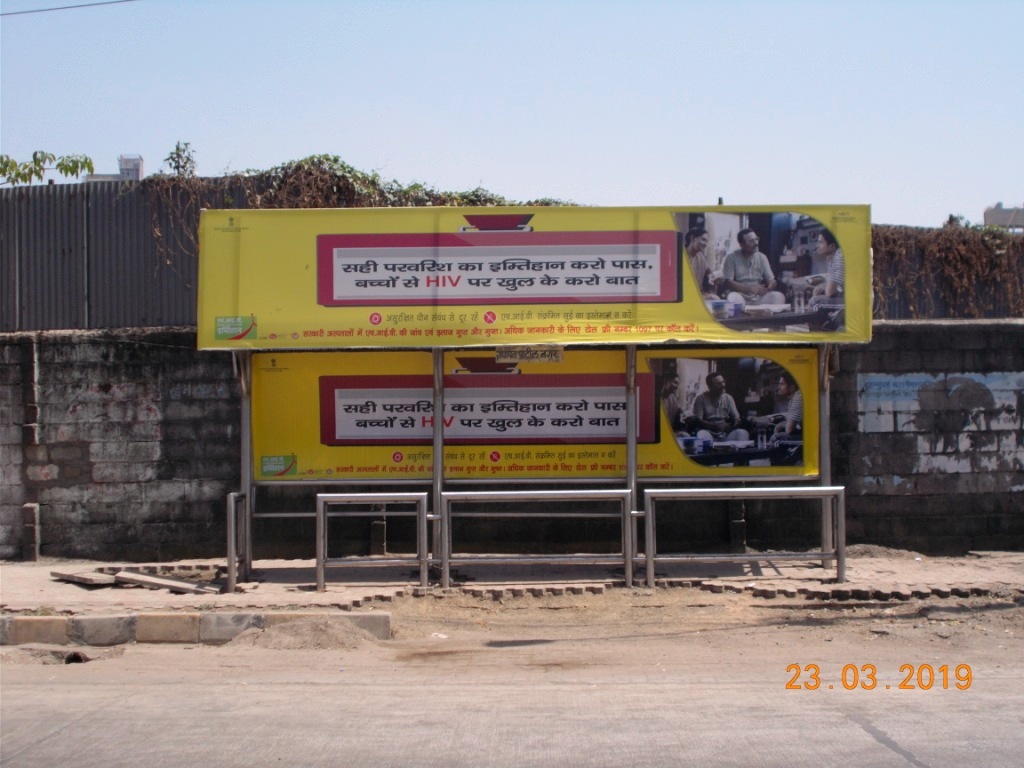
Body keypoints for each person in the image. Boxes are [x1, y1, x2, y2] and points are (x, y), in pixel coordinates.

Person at [722, 228, 785, 306]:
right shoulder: (731, 257)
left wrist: (769, 286)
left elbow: (771, 279)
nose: (756, 243)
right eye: (751, 241)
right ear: (742, 245)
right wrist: (750, 289)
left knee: (778, 296)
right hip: (740, 296)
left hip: (758, 297)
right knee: (732, 297)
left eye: (756, 239)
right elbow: (728, 282)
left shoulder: (762, 257)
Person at [692, 372, 750, 442]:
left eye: (723, 382)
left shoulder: (728, 398)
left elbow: (737, 418)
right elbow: (698, 420)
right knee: (701, 434)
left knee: (742, 433)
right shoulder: (701, 398)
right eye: (719, 384)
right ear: (710, 387)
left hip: (725, 434)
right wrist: (715, 426)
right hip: (709, 433)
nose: (723, 385)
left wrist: (732, 425)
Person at [810, 229, 844, 307]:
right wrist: (823, 289)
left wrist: (824, 290)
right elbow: (834, 287)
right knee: (816, 298)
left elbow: (829, 292)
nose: (817, 246)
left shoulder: (839, 257)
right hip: (844, 295)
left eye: (820, 242)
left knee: (814, 301)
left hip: (852, 299)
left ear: (831, 246)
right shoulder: (833, 257)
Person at [684, 226, 720, 299]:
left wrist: (711, 276)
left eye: (706, 241)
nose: (705, 244)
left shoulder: (700, 256)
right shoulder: (678, 256)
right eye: (703, 239)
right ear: (693, 238)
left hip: (699, 295)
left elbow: (708, 270)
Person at [772, 373, 803, 441]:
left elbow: (789, 429)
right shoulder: (792, 400)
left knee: (776, 437)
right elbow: (790, 422)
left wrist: (783, 425)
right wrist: (782, 424)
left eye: (782, 384)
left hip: (806, 438)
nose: (778, 387)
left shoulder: (798, 397)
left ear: (792, 387)